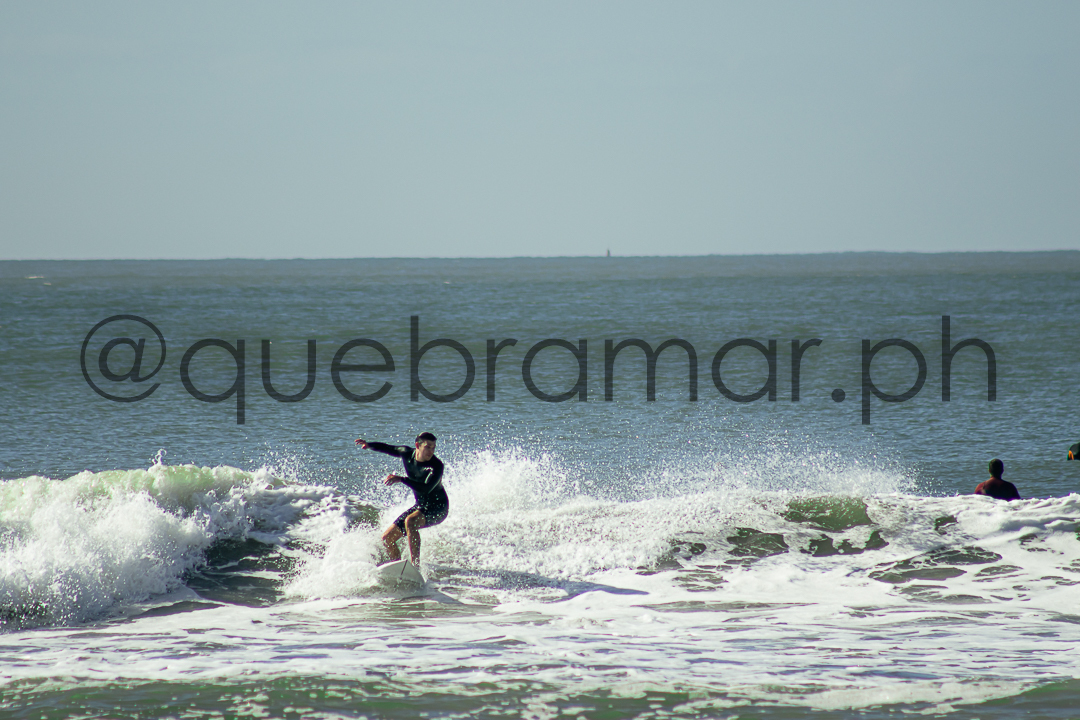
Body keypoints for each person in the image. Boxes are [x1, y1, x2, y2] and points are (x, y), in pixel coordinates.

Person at [355, 432, 447, 566]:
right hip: (421, 506)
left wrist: (402, 479)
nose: (431, 451)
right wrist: (369, 445)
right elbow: (388, 448)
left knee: (410, 521)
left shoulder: (436, 466)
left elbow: (426, 489)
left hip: (438, 508)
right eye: (428, 447)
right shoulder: (407, 453)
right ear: (417, 445)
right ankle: (399, 568)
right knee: (387, 538)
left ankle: (415, 566)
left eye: (433, 447)